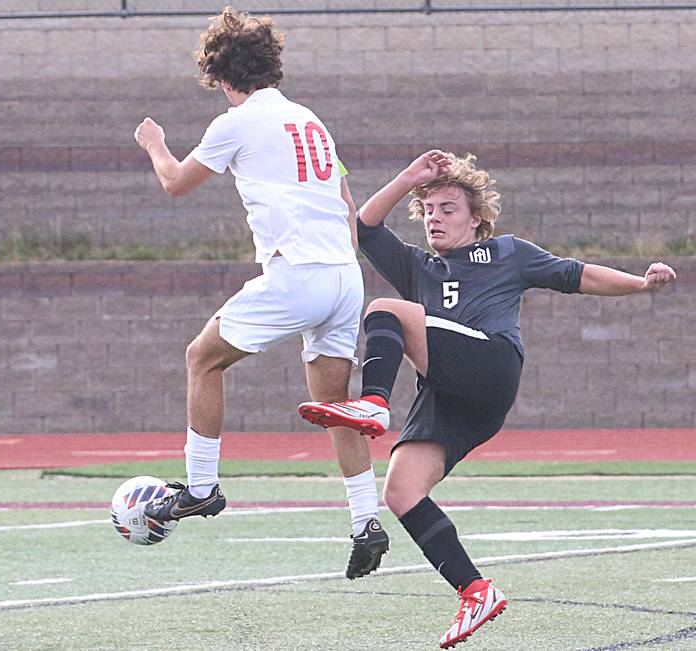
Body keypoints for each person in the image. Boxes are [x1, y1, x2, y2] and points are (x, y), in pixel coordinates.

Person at [299, 150, 677, 648]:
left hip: (492, 366)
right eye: (428, 210)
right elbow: (365, 228)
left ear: (476, 218)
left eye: (447, 209)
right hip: (455, 397)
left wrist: (640, 286)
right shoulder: (419, 266)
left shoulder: (507, 253)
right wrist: (410, 177)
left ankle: (372, 400)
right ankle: (476, 591)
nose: (435, 217)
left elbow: (577, 275)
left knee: (386, 310)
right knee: (401, 491)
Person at [132, 6, 389, 579]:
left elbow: (175, 183)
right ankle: (366, 522)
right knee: (336, 407)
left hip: (296, 273)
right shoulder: (312, 120)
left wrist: (154, 142)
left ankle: (200, 487)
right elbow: (347, 206)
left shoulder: (235, 122)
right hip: (345, 278)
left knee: (203, 358)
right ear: (271, 65)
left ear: (222, 77)